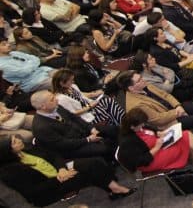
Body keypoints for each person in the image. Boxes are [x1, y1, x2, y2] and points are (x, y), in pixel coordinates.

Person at [0, 134, 135, 206]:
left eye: (16, 138)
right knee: (88, 173)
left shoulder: (27, 149)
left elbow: (53, 155)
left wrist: (61, 169)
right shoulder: (11, 172)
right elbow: (32, 192)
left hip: (58, 171)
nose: (19, 140)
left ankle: (113, 189)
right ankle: (115, 189)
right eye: (14, 142)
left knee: (93, 162)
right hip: (51, 187)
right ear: (8, 151)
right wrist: (59, 178)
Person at [117, 107, 193, 174]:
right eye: (141, 125)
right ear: (132, 126)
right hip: (151, 161)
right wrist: (157, 147)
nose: (143, 126)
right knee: (186, 137)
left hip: (159, 148)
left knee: (186, 139)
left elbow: (151, 131)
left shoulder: (139, 126)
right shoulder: (128, 142)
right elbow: (142, 161)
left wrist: (159, 133)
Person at [30, 90, 117, 162]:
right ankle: (113, 161)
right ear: (43, 107)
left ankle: (116, 153)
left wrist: (91, 128)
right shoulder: (41, 127)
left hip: (82, 132)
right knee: (104, 148)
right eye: (52, 99)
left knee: (113, 130)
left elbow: (75, 118)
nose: (56, 99)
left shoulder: (56, 107)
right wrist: (88, 139)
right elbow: (63, 144)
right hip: (72, 148)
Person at [116, 70, 193, 130]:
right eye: (139, 80)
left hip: (174, 109)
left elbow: (166, 95)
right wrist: (177, 112)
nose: (143, 79)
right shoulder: (136, 105)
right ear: (131, 88)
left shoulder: (144, 85)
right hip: (167, 123)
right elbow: (159, 119)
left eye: (141, 77)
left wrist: (178, 106)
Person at [51, 68, 125, 126]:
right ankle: (123, 122)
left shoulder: (72, 86)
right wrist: (89, 106)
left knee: (107, 100)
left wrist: (95, 94)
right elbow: (73, 114)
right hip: (85, 115)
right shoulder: (61, 98)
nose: (73, 82)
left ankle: (123, 121)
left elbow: (82, 95)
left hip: (90, 105)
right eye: (70, 80)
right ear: (62, 83)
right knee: (107, 105)